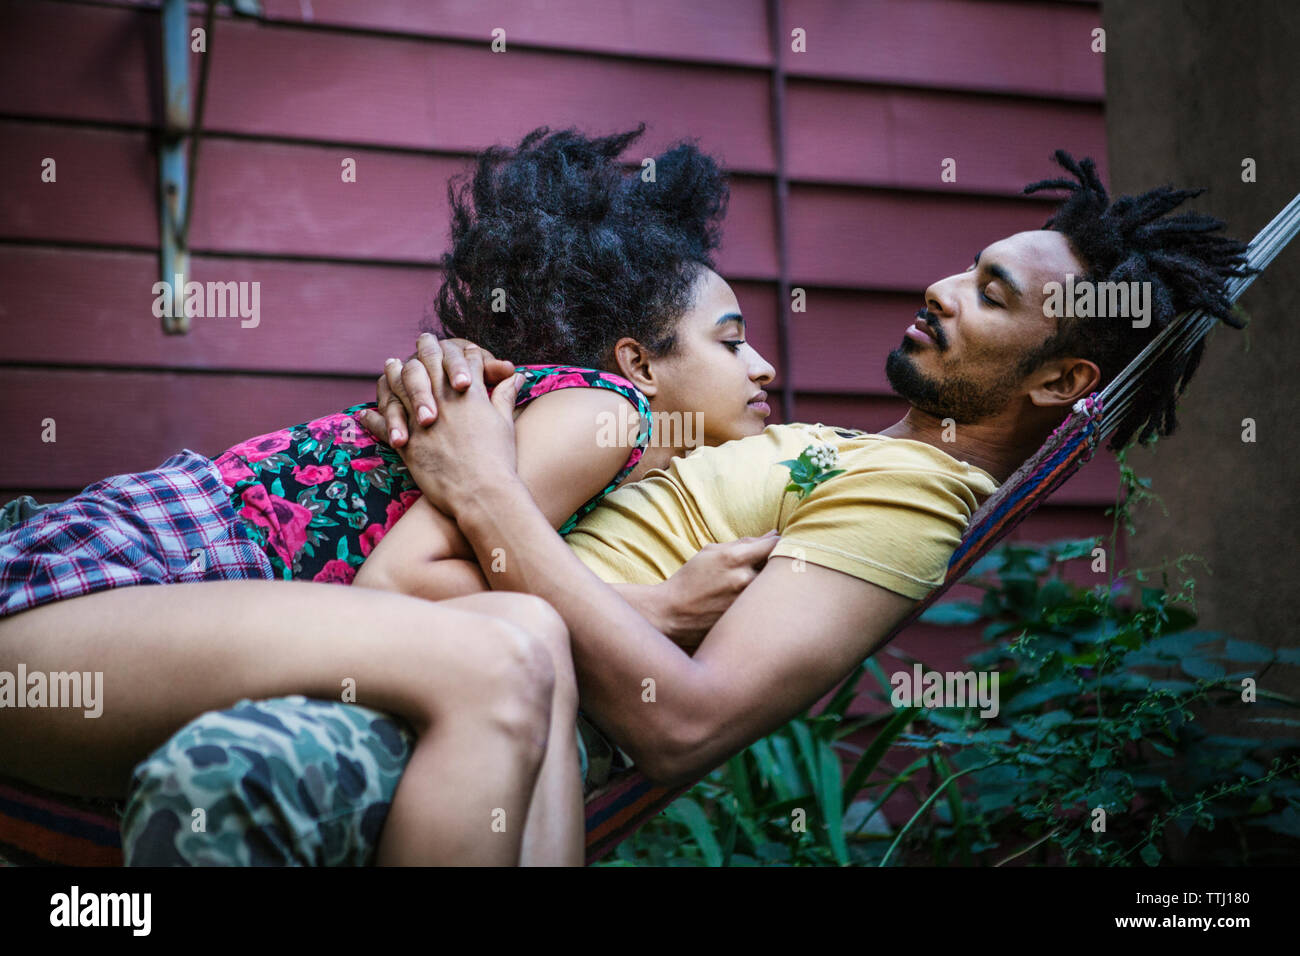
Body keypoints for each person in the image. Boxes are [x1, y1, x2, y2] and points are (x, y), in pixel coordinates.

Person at [118, 151, 1252, 865]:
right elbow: (600, 413)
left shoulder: (917, 492)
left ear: (1060, 383)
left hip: (465, 718)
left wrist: (479, 483)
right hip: (413, 652)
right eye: (966, 265)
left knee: (220, 782)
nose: (941, 289)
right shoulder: (807, 443)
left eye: (991, 293)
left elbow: (684, 721)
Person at [0, 124, 776, 866]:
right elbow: (401, 582)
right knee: (507, 650)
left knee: (529, 632)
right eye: (732, 340)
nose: (764, 367)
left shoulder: (585, 437)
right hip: (85, 600)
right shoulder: (607, 409)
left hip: (128, 647)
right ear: (637, 363)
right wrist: (655, 609)